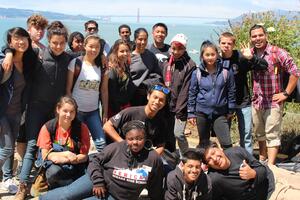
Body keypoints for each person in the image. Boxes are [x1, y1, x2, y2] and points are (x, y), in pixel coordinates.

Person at [14, 21, 72, 200]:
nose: (58, 46)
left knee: (51, 146)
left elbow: (89, 52)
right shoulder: (37, 55)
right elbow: (12, 47)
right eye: (54, 42)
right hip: (36, 108)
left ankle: (43, 178)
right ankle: (22, 186)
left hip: (54, 111)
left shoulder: (69, 59)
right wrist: (9, 54)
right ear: (49, 41)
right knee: (32, 146)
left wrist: (101, 57)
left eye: (62, 43)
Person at [39, 120, 164, 200]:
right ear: (126, 139)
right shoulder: (116, 148)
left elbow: (156, 186)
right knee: (66, 195)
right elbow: (95, 160)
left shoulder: (153, 159)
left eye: (139, 138)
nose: (135, 142)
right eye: (131, 139)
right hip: (97, 179)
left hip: (115, 196)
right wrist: (98, 182)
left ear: (145, 138)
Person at [250, 24, 300, 165]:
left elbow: (295, 72)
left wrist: (286, 93)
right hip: (257, 100)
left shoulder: (277, 52)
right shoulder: (251, 53)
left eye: (260, 35)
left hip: (273, 101)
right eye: (254, 36)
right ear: (251, 38)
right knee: (259, 133)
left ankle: (271, 166)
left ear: (266, 35)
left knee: (272, 134)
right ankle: (262, 158)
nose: (257, 38)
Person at [0, 27, 37, 194]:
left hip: (17, 113)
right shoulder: (4, 62)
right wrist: (7, 53)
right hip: (2, 113)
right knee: (7, 149)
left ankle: (7, 177)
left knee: (9, 146)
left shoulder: (29, 61)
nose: (21, 42)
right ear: (9, 42)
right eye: (16, 38)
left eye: (24, 38)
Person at [219, 32, 268, 155]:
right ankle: (229, 160)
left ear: (234, 44)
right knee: (224, 136)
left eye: (229, 43)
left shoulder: (241, 57)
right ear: (219, 44)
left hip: (243, 101)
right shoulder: (216, 60)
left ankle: (248, 161)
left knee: (246, 135)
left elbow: (264, 66)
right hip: (224, 104)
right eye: (223, 43)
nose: (226, 46)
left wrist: (251, 57)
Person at [203, 142, 300, 200]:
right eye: (209, 159)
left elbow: (260, 167)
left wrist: (253, 173)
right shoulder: (215, 180)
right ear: (207, 165)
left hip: (274, 174)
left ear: (219, 148)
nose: (215, 158)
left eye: (214, 152)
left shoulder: (236, 151)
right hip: (272, 193)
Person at [34, 96, 90, 191]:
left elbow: (84, 156)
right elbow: (45, 155)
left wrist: (67, 160)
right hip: (54, 166)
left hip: (74, 164)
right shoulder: (48, 127)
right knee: (54, 172)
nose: (68, 115)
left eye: (72, 111)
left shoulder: (82, 128)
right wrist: (66, 154)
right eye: (65, 111)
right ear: (58, 109)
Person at [187, 40, 236, 149]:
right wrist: (191, 113)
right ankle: (203, 165)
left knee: (226, 143)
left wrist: (231, 109)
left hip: (220, 112)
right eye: (207, 55)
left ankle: (230, 164)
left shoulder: (225, 71)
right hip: (202, 113)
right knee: (204, 143)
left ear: (217, 55)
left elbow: (231, 91)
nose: (210, 57)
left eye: (213, 54)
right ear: (202, 56)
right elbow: (192, 93)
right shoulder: (197, 73)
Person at [66, 34, 108, 152]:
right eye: (91, 46)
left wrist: (104, 113)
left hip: (93, 112)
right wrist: (71, 111)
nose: (94, 50)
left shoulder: (103, 66)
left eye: (97, 47)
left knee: (101, 144)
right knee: (76, 143)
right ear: (84, 46)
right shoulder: (76, 63)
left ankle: (99, 168)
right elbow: (68, 89)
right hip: (77, 111)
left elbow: (104, 91)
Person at [103, 84, 169, 155]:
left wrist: (151, 159)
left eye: (161, 100)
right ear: (148, 96)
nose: (157, 102)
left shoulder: (161, 122)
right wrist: (123, 143)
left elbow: (161, 146)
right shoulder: (131, 112)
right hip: (121, 152)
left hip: (142, 157)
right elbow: (107, 126)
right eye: (155, 97)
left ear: (164, 104)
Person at [162, 33, 196, 155]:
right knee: (167, 133)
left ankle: (186, 156)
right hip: (167, 104)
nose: (176, 52)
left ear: (185, 49)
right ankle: (170, 156)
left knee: (178, 133)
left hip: (181, 107)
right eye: (173, 48)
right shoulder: (167, 62)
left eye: (179, 49)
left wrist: (180, 110)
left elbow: (186, 90)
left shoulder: (189, 65)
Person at [130, 28, 162, 106]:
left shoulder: (151, 56)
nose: (143, 42)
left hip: (148, 97)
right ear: (135, 40)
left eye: (145, 39)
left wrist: (146, 85)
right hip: (131, 97)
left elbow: (158, 75)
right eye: (140, 39)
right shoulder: (129, 57)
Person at [107, 39, 135, 117]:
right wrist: (118, 111)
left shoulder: (125, 65)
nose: (125, 53)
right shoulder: (112, 69)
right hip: (116, 109)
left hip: (125, 105)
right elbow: (112, 93)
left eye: (127, 51)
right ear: (116, 52)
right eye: (122, 51)